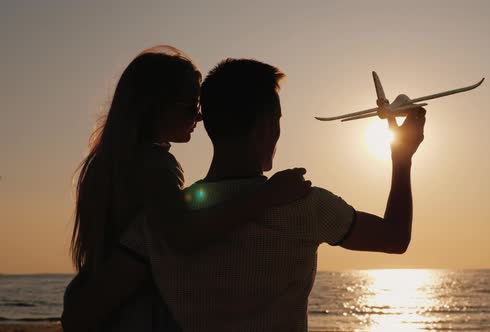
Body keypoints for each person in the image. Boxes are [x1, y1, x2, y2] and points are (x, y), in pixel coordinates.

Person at [117, 58, 427, 331]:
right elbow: (395, 238)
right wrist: (402, 158)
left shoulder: (162, 221)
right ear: (268, 127)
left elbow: (89, 305)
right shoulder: (305, 204)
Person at [61, 48, 311, 331]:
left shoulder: (106, 162)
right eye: (191, 107)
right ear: (157, 107)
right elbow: (182, 235)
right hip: (140, 312)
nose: (199, 117)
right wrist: (268, 197)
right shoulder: (155, 166)